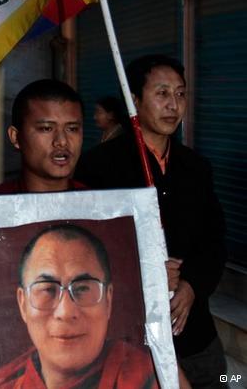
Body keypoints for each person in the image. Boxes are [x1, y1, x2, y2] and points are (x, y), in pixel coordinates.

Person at [75, 54, 227, 388]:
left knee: (221, 380)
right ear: (134, 100)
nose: (173, 104)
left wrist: (191, 286)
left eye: (180, 94)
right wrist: (143, 271)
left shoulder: (196, 168)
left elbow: (214, 241)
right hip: (125, 335)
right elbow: (82, 249)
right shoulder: (98, 168)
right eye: (162, 94)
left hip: (190, 328)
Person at [0, 79, 87, 388]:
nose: (62, 143)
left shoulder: (101, 212)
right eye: (46, 129)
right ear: (16, 137)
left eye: (73, 129)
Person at [0, 224, 157, 388]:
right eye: (48, 289)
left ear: (108, 299)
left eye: (82, 288)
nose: (65, 312)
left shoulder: (152, 375)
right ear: (23, 304)